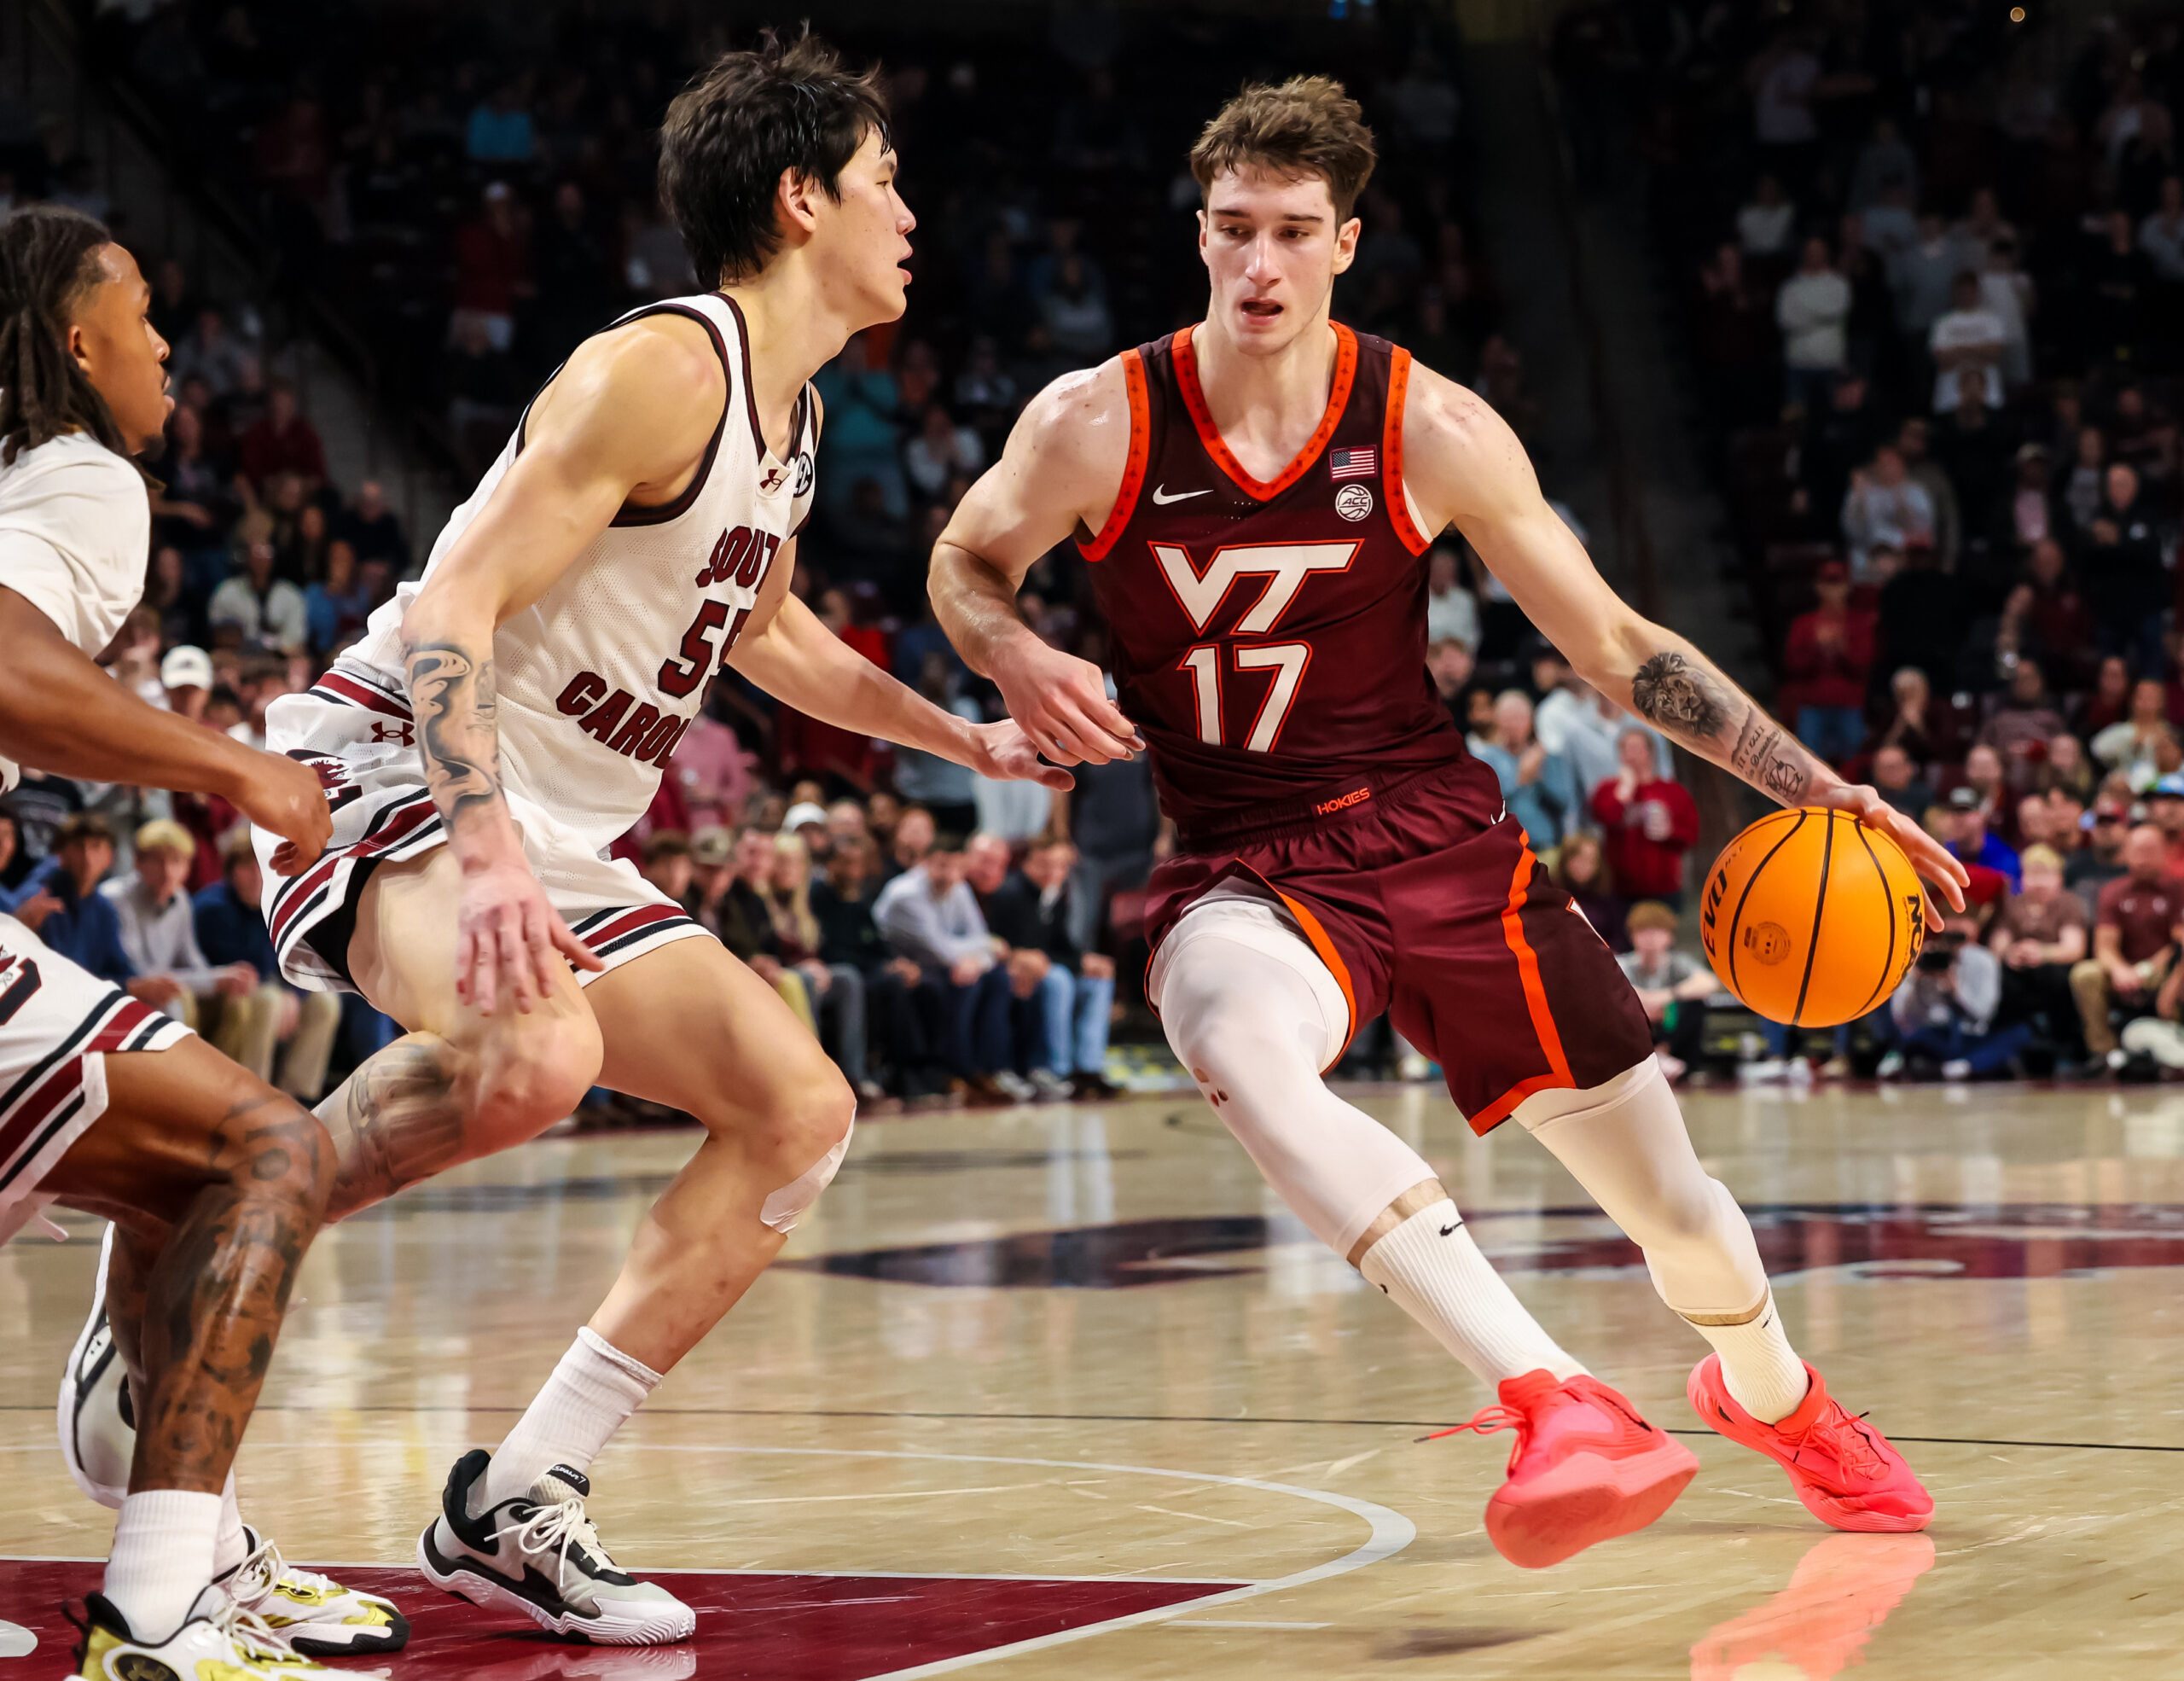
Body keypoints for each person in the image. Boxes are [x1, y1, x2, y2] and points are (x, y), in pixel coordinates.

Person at [59, 34, 1062, 1649]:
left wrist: (967, 738)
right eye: (886, 182)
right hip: (399, 761)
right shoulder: (666, 365)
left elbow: (771, 632)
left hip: (553, 822)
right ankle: (191, 1225)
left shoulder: (788, 417)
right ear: (803, 200)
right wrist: (496, 847)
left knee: (799, 1109)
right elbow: (455, 596)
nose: (909, 214)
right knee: (536, 1051)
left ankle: (518, 1501)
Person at [928, 76, 1953, 1569]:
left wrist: (1818, 786)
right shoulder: (1096, 421)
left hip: (1442, 840)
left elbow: (1616, 648)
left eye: (1290, 232)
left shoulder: (1428, 424)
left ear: (1347, 241)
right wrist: (1010, 645)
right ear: (1200, 234)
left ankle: (1776, 1397)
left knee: (1680, 1220)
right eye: (1232, 231)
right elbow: (967, 562)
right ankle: (1554, 1400)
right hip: (1242, 859)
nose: (1258, 265)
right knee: (1229, 1038)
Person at [0, 205, 398, 1678]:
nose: (169, 343)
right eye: (145, 312)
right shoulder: (83, 477)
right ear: (75, 339)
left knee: (173, 1148)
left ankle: (191, 1514)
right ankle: (164, 1600)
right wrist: (232, 767)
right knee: (270, 1151)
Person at [2070, 824, 2180, 1064]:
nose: (2143, 859)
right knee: (2086, 974)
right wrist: (2120, 969)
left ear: (2164, 852)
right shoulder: (2113, 891)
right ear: (2126, 852)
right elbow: (2105, 945)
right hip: (2126, 967)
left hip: (2167, 968)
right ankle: (2105, 1054)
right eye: (2138, 851)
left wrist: (2148, 969)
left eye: (2150, 851)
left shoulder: (2178, 889)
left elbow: (2179, 944)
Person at [1988, 845, 2088, 1062]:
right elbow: (1998, 944)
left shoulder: (2067, 904)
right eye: (2032, 874)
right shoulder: (2013, 906)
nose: (2038, 882)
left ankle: (2064, 1047)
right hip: (2018, 970)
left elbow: (2074, 948)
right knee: (2002, 978)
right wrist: (2011, 953)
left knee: (2057, 979)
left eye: (2045, 874)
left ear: (2059, 878)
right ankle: (2010, 1046)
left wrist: (2041, 953)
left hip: (2055, 968)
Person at [1590, 726, 1700, 907]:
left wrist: (1670, 831)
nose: (1630, 755)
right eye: (1624, 749)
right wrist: (1624, 791)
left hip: (1664, 887)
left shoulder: (1673, 792)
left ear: (1650, 752)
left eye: (1635, 748)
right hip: (1619, 889)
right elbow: (1604, 816)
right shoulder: (1608, 789)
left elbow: (1691, 835)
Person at [1616, 901, 1716, 1082]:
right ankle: (1648, 1059)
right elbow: (1608, 986)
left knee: (1693, 1003)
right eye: (1643, 931)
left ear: (1670, 936)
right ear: (1632, 936)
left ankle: (1665, 1055)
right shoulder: (1624, 963)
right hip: (1637, 1033)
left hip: (1669, 1029)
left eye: (1657, 931)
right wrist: (1644, 1001)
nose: (1650, 938)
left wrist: (1666, 997)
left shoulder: (1677, 963)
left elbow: (1709, 982)